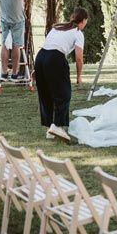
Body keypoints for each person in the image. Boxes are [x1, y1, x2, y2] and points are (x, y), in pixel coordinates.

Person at [34, 7, 87, 141]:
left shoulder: (58, 27)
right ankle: (58, 125)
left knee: (45, 94)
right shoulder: (78, 32)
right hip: (55, 58)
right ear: (83, 21)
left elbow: (48, 44)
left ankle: (49, 129)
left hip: (41, 57)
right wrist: (79, 76)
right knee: (64, 94)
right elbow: (79, 58)